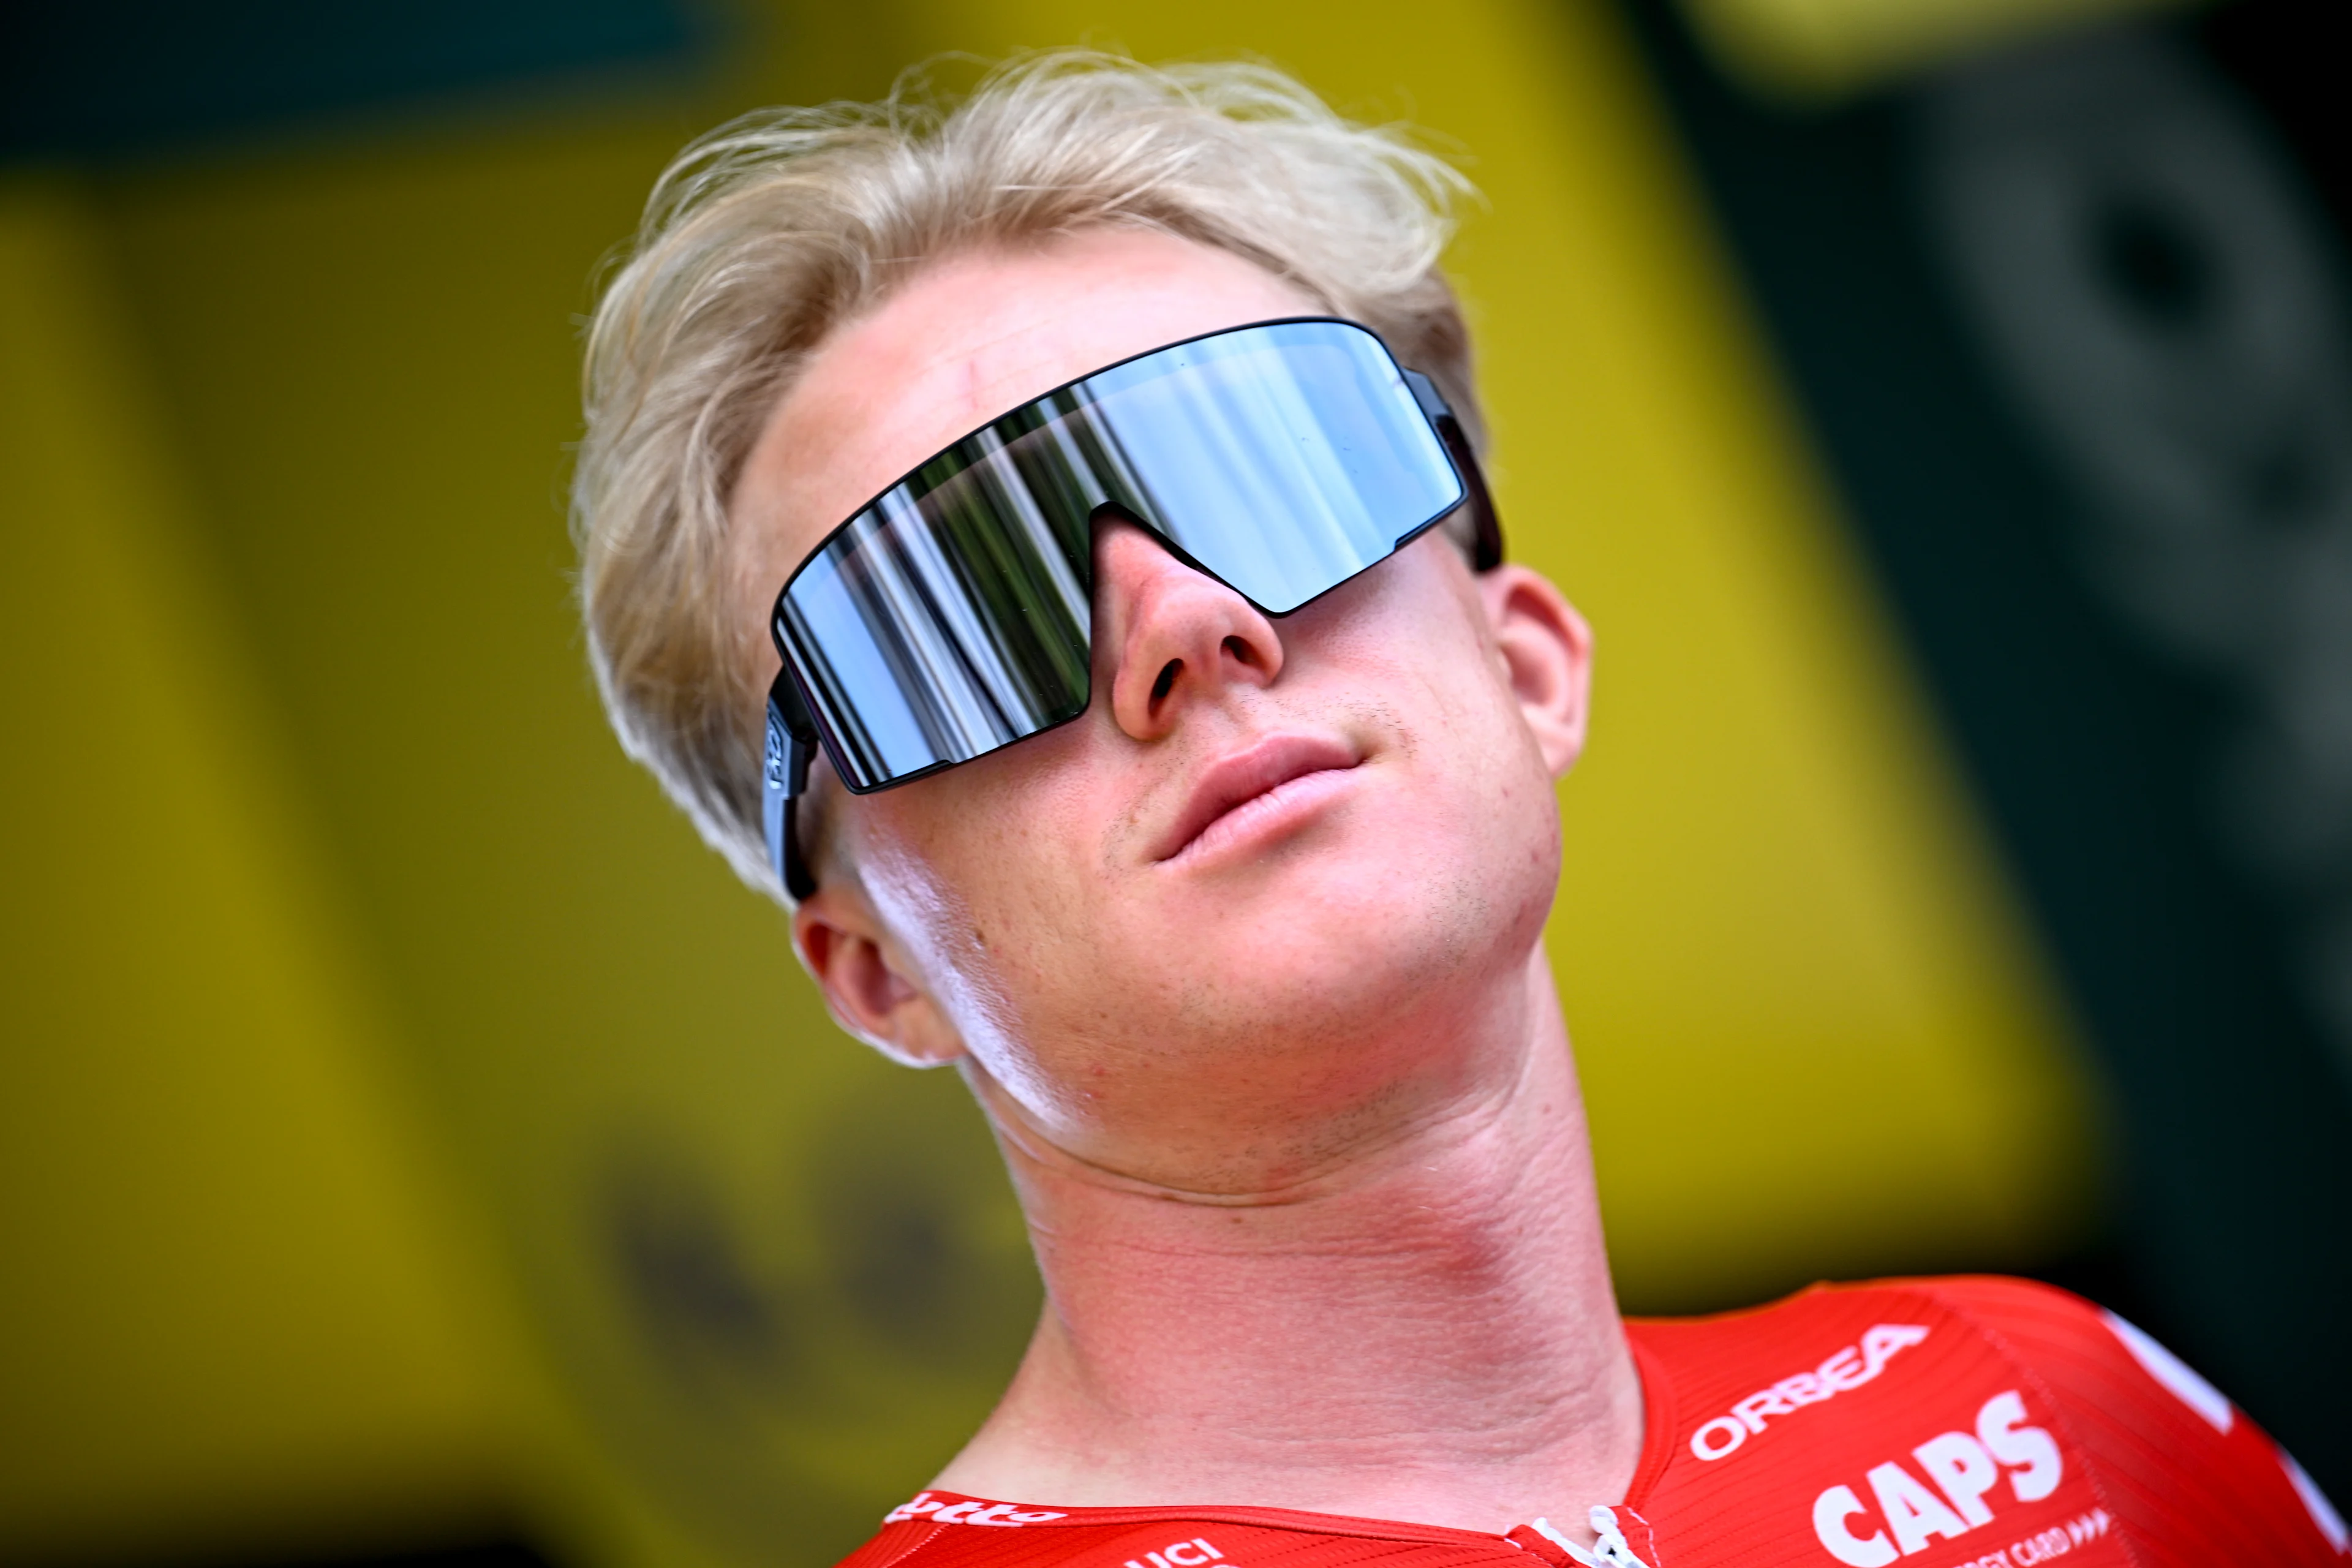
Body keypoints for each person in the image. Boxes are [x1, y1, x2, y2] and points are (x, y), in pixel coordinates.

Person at [570, 51, 2345, 1568]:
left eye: (1267, 461)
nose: (1184, 623)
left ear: (1531, 660)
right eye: (950, 616)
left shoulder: (2057, 1419)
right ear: (872, 968)